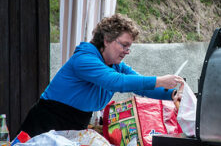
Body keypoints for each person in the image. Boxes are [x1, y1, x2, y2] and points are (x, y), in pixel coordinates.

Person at [21, 13, 184, 137]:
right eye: (124, 45)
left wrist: (173, 95)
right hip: (45, 123)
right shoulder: (83, 59)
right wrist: (160, 80)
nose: (127, 52)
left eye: (129, 47)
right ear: (106, 39)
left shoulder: (117, 66)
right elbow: (116, 82)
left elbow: (142, 88)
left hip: (76, 124)